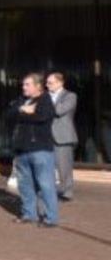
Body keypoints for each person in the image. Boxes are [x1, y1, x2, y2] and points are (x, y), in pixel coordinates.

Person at [6, 73, 59, 227]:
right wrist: (23, 109)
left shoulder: (45, 100)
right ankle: (29, 214)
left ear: (38, 86)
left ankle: (51, 218)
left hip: (40, 149)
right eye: (23, 84)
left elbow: (42, 117)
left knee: (45, 185)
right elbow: (8, 116)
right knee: (25, 185)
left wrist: (24, 113)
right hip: (22, 149)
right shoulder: (21, 100)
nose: (24, 87)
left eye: (27, 84)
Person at [47, 72, 78, 202]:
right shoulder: (46, 96)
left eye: (50, 82)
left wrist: (45, 103)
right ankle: (51, 191)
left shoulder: (70, 96)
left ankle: (67, 192)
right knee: (48, 166)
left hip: (63, 136)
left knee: (64, 166)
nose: (47, 85)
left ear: (60, 83)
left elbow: (60, 110)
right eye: (47, 82)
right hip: (47, 136)